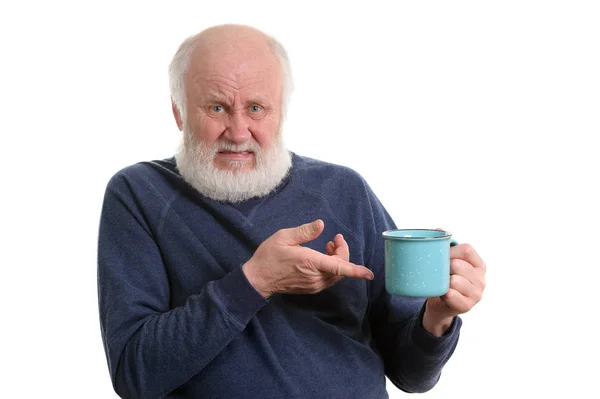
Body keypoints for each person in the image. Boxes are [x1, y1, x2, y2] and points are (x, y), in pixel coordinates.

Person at [97, 24, 487, 399]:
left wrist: (437, 318)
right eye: (216, 107)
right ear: (179, 112)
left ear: (279, 112)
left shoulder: (344, 189)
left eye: (255, 108)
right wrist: (256, 281)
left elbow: (412, 376)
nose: (237, 131)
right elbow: (135, 375)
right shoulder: (138, 193)